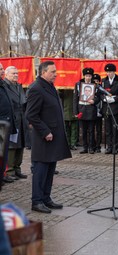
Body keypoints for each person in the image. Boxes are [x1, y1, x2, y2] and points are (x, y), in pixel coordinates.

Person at [25, 60, 72, 214]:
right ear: (43, 72)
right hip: (44, 138)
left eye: (55, 71)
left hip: (54, 137)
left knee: (50, 169)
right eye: (52, 72)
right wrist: (45, 131)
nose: (55, 74)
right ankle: (36, 201)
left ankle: (46, 198)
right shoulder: (36, 88)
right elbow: (31, 115)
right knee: (40, 170)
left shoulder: (49, 86)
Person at [3, 66, 28, 180]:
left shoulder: (19, 86)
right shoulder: (5, 86)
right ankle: (10, 170)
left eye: (17, 73)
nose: (16, 75)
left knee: (21, 144)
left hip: (21, 119)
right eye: (13, 73)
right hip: (12, 119)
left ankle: (17, 168)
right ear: (6, 74)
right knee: (12, 146)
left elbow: (23, 102)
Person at [73, 68, 99, 154]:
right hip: (81, 110)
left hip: (91, 109)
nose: (88, 77)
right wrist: (75, 112)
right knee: (83, 131)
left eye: (90, 76)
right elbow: (75, 99)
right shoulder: (78, 84)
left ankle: (91, 147)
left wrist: (94, 101)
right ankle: (85, 147)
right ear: (84, 76)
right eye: (87, 76)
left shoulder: (95, 85)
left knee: (91, 130)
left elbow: (98, 97)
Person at [101, 63, 118, 154]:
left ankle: (115, 147)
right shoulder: (103, 81)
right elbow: (100, 93)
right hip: (106, 107)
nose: (109, 73)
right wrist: (105, 99)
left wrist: (114, 99)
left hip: (115, 107)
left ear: (114, 72)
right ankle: (109, 147)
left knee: (115, 129)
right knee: (108, 129)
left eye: (110, 72)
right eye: (107, 72)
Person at [0, 76, 17, 185]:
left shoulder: (3, 84)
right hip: (1, 123)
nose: (1, 71)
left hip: (6, 123)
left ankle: (2, 175)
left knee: (3, 153)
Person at [92, 73, 103, 153]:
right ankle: (92, 145)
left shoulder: (101, 89)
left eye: (97, 81)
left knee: (98, 130)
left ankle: (98, 145)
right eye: (94, 81)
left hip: (99, 112)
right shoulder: (89, 89)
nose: (95, 82)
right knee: (91, 130)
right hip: (91, 113)